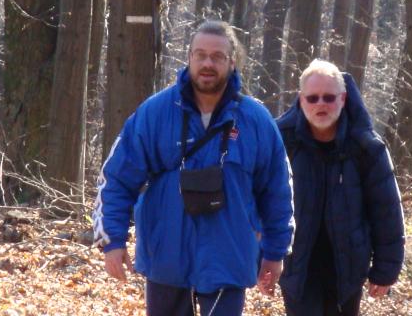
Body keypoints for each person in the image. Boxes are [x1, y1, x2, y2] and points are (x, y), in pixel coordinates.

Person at [93, 20, 294, 316]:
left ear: (232, 62)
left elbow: (277, 191)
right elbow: (117, 179)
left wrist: (275, 252)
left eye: (217, 56)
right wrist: (112, 240)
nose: (207, 63)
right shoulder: (155, 112)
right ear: (189, 57)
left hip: (228, 259)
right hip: (166, 259)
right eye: (200, 55)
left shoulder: (256, 120)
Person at [277, 59, 405, 316]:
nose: (321, 104)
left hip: (348, 268)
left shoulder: (367, 148)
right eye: (312, 98)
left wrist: (385, 269)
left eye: (329, 97)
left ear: (343, 98)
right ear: (301, 100)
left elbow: (386, 211)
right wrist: (262, 259)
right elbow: (260, 203)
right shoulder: (281, 143)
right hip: (296, 266)